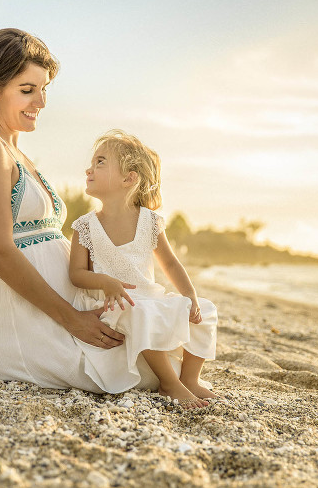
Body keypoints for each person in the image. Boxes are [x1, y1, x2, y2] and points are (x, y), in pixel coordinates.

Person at [0, 28, 125, 391]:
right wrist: (73, 320)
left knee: (160, 333)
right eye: (27, 90)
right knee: (135, 365)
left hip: (54, 310)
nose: (41, 102)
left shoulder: (15, 151)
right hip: (20, 319)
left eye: (44, 89)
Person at [69, 130, 218, 409]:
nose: (89, 169)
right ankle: (168, 383)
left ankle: (190, 378)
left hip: (150, 297)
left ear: (129, 178)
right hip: (114, 305)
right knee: (138, 311)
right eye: (92, 162)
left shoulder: (149, 222)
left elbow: (171, 263)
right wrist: (105, 281)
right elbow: (76, 274)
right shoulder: (85, 226)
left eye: (101, 162)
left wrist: (191, 296)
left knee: (206, 311)